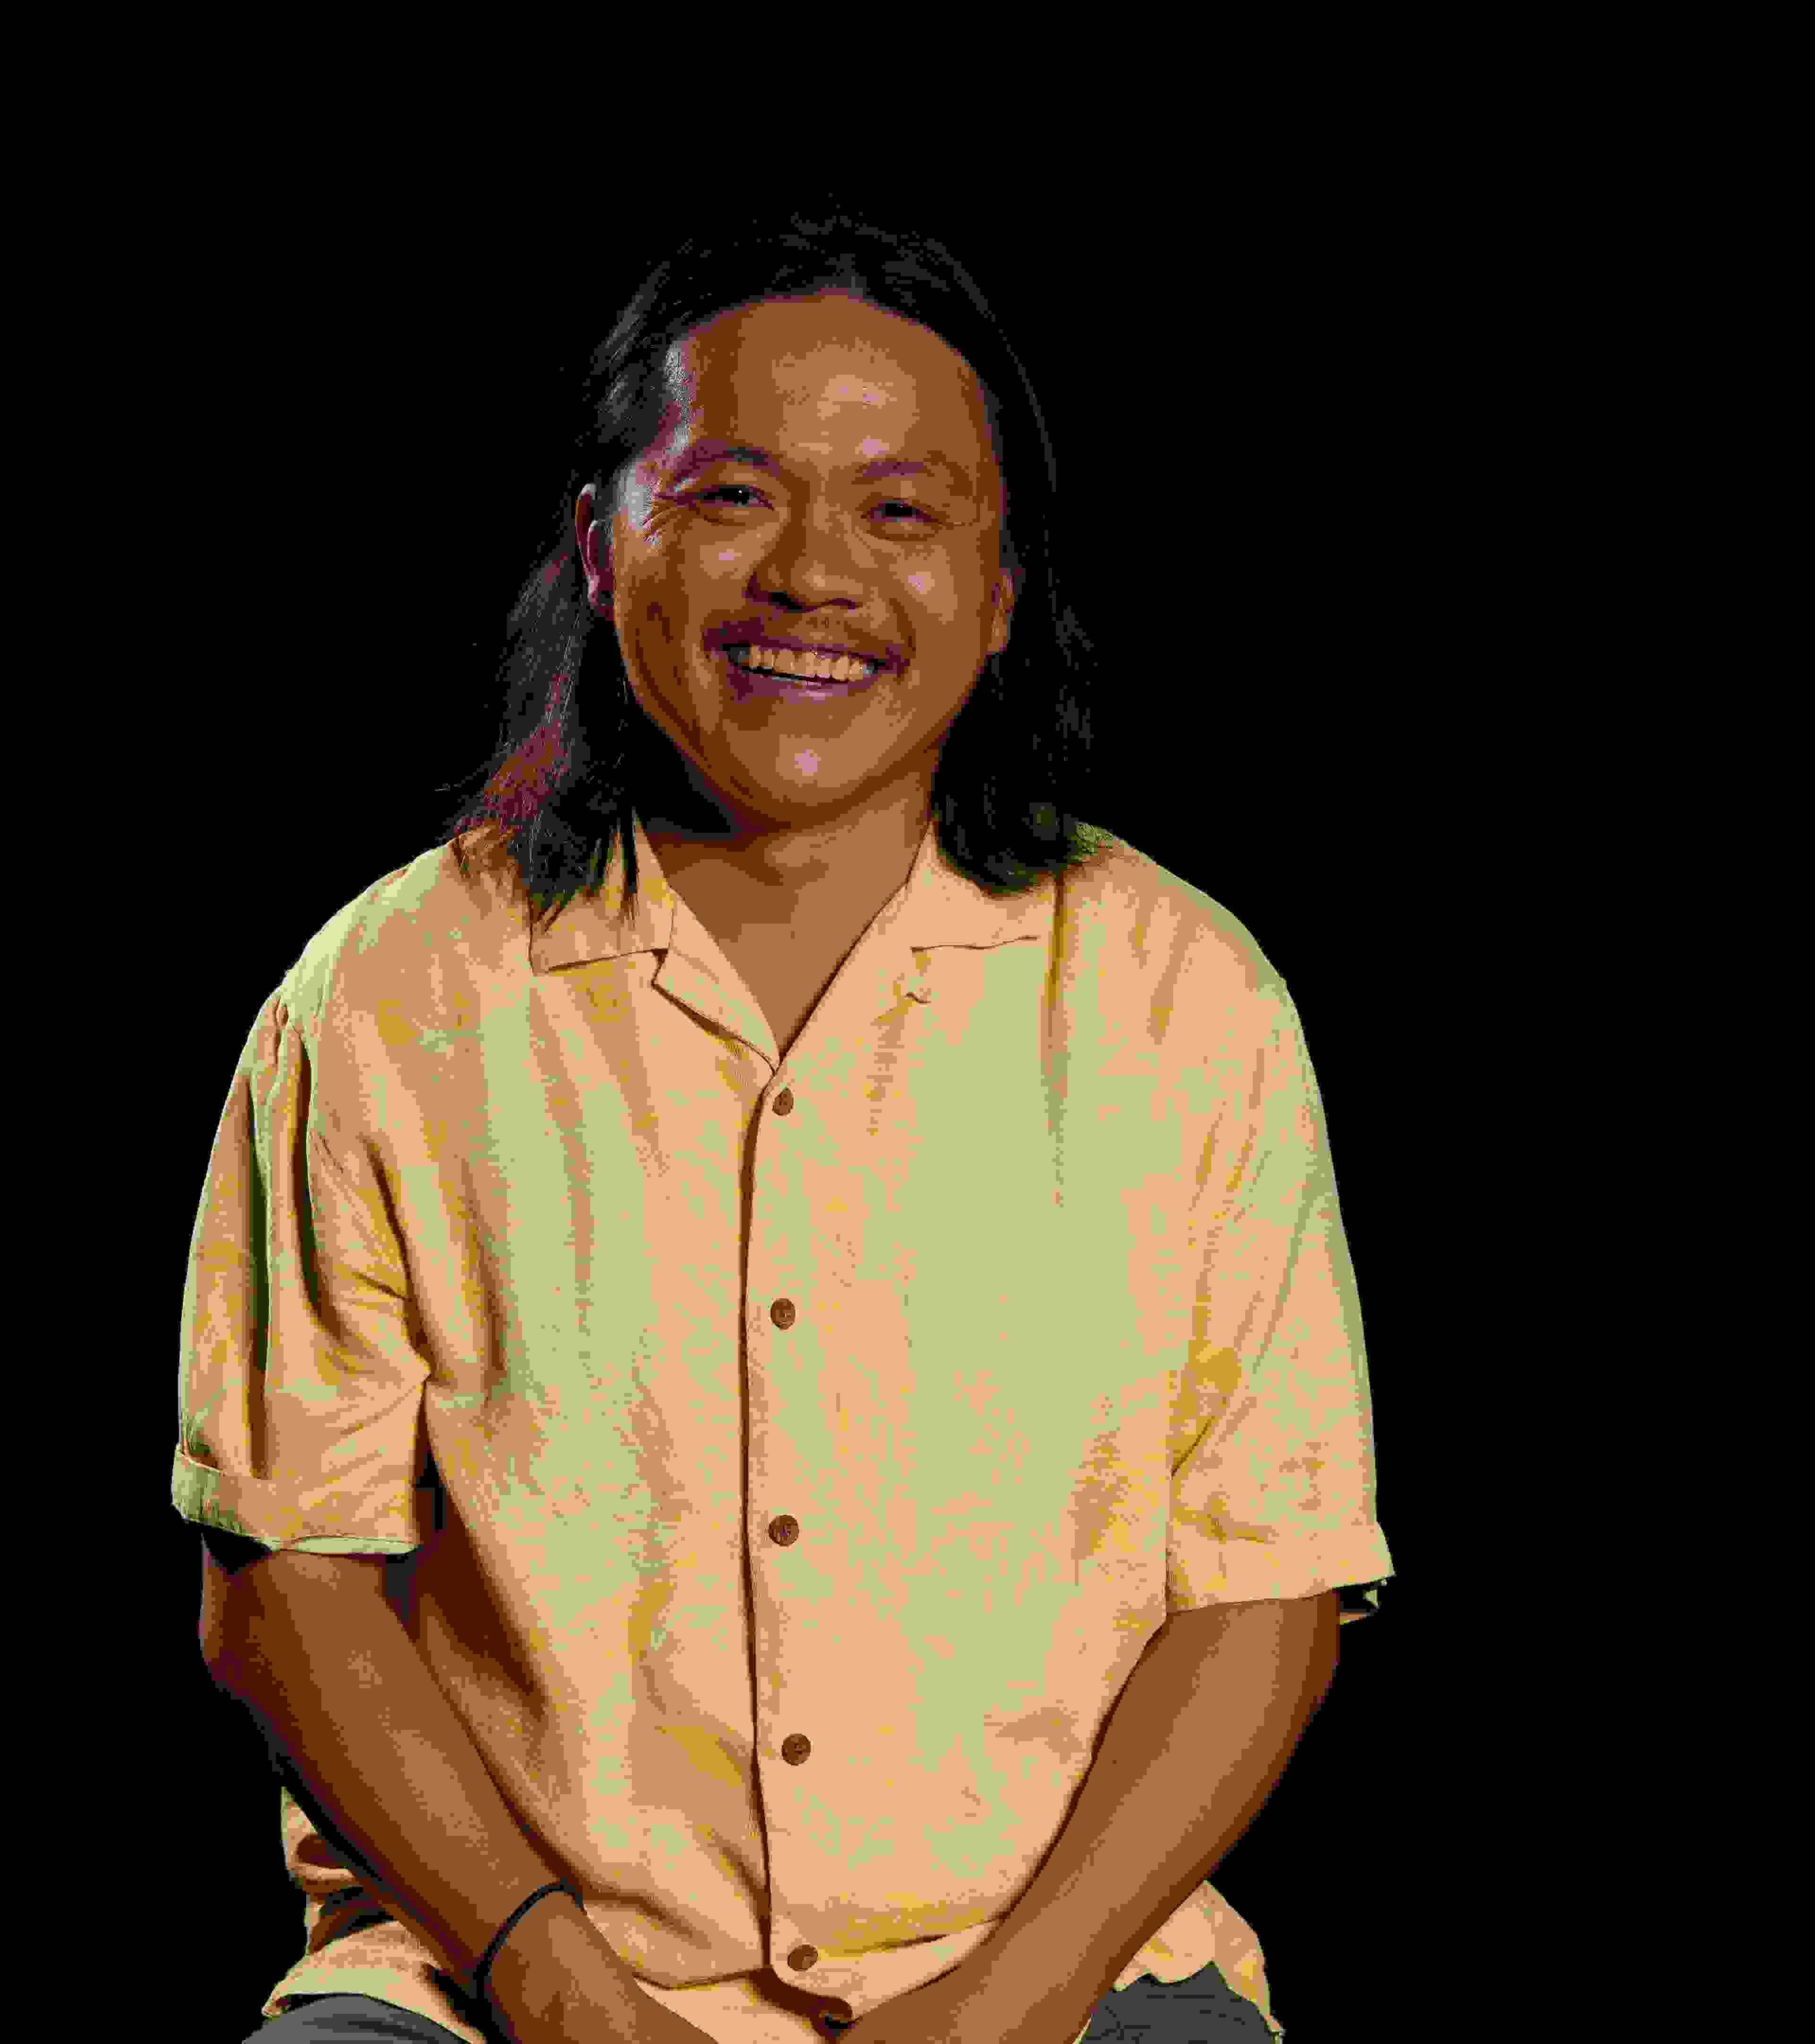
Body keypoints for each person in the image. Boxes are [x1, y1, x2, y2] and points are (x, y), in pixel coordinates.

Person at [177, 203, 1394, 2044]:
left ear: (999, 592)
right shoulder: (383, 998)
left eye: (900, 512)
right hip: (479, 1982)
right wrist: (557, 1985)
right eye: (733, 495)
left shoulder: (1186, 1003)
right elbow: (289, 1584)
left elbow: (1266, 1596)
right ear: (603, 544)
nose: (817, 575)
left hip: (1075, 1985)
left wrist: (1013, 1998)